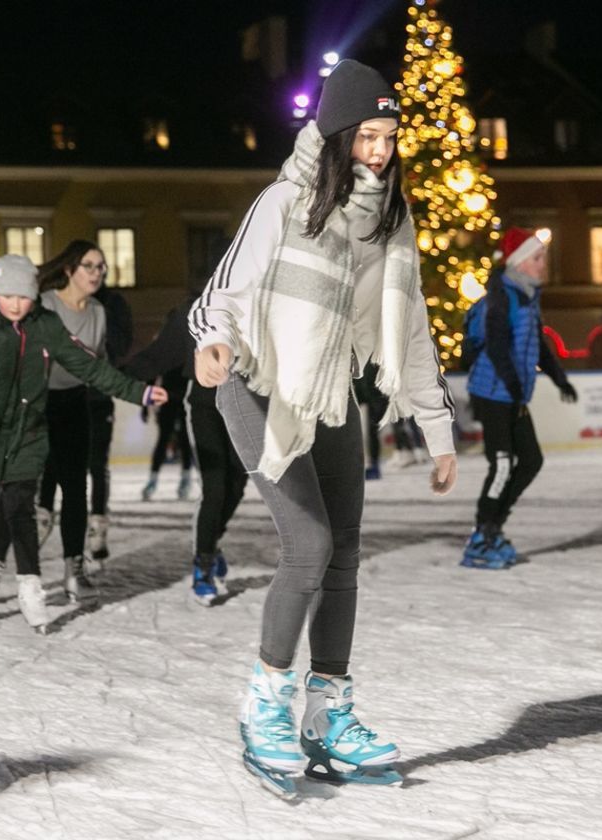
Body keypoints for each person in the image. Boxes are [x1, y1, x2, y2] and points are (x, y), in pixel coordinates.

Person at [188, 60, 457, 797]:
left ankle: (327, 715)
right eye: (367, 134)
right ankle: (264, 705)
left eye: (389, 135)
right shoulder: (286, 199)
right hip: (255, 384)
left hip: (329, 392)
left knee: (344, 555)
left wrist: (436, 428)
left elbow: (412, 332)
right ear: (337, 135)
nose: (379, 149)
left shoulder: (389, 220)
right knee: (309, 542)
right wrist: (213, 341)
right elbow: (225, 294)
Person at [0, 255, 166, 633]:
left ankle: (30, 586)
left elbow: (90, 367)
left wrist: (139, 393)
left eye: (24, 297)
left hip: (27, 434)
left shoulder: (46, 327)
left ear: (35, 296)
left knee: (20, 511)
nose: (15, 305)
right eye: (7, 296)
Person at [463, 226, 577, 568]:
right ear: (521, 261)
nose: (544, 264)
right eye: (538, 258)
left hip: (511, 394)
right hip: (493, 393)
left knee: (531, 460)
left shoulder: (526, 294)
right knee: (502, 463)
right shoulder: (503, 295)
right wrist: (514, 390)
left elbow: (537, 344)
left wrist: (560, 380)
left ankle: (493, 527)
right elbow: (497, 347)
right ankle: (482, 538)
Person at [125, 291, 248, 603]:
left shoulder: (255, 306)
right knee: (215, 485)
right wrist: (114, 375)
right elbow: (158, 355)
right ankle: (203, 565)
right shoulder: (194, 311)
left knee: (238, 481)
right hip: (205, 406)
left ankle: (211, 541)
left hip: (247, 407)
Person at [33, 240, 115, 592]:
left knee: (76, 489)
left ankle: (73, 569)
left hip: (76, 402)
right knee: (30, 486)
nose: (97, 273)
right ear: (69, 270)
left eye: (101, 267)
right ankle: (23, 569)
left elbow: (97, 360)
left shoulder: (98, 311)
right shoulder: (46, 305)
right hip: (39, 402)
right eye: (89, 266)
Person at [85, 282, 133, 561]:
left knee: (97, 465)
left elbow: (121, 344)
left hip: (98, 396)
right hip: (62, 395)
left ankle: (98, 525)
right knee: (62, 467)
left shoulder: (111, 303)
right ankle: (45, 516)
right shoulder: (60, 300)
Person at [140, 365, 194, 500]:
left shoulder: (190, 347)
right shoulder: (167, 347)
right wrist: (145, 406)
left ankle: (186, 479)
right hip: (168, 400)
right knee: (164, 440)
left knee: (185, 440)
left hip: (185, 401)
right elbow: (152, 374)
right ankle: (153, 480)